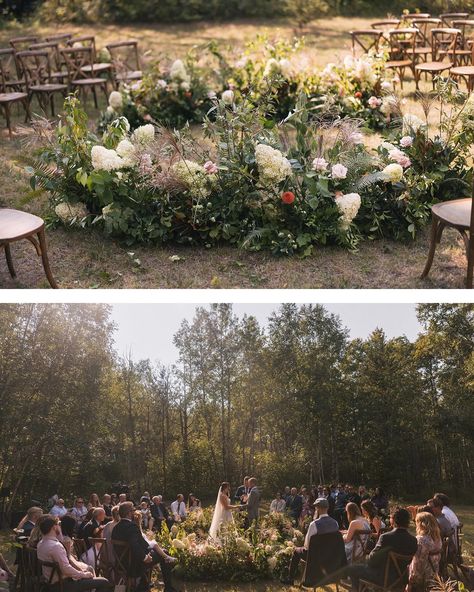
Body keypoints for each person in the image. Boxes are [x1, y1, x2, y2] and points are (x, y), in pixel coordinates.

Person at [345, 508, 418, 591]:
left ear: (393, 520)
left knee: (352, 568)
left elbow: (372, 560)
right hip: (401, 579)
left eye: (390, 517)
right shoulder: (413, 540)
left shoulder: (386, 537)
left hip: (383, 578)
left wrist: (366, 559)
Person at [112, 502, 178, 592]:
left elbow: (140, 545)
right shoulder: (132, 527)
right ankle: (168, 589)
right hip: (133, 565)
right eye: (133, 510)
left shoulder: (116, 528)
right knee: (164, 553)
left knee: (155, 552)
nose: (134, 512)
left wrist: (147, 552)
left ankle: (143, 586)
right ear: (128, 513)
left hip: (120, 564)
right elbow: (134, 545)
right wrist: (144, 557)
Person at [37, 516, 112, 592]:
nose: (60, 527)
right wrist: (83, 574)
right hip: (62, 585)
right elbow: (66, 569)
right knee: (104, 582)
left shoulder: (40, 544)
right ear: (54, 527)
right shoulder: (55, 546)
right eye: (58, 524)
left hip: (50, 583)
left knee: (89, 574)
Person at [282, 497, 339, 585]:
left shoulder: (314, 524)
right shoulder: (335, 523)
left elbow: (307, 545)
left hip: (315, 557)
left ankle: (290, 578)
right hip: (330, 556)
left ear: (318, 508)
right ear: (327, 508)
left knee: (296, 551)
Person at [407, 512, 442, 592]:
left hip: (422, 576)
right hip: (434, 573)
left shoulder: (421, 540)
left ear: (421, 524)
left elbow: (418, 563)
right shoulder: (437, 538)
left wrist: (410, 580)